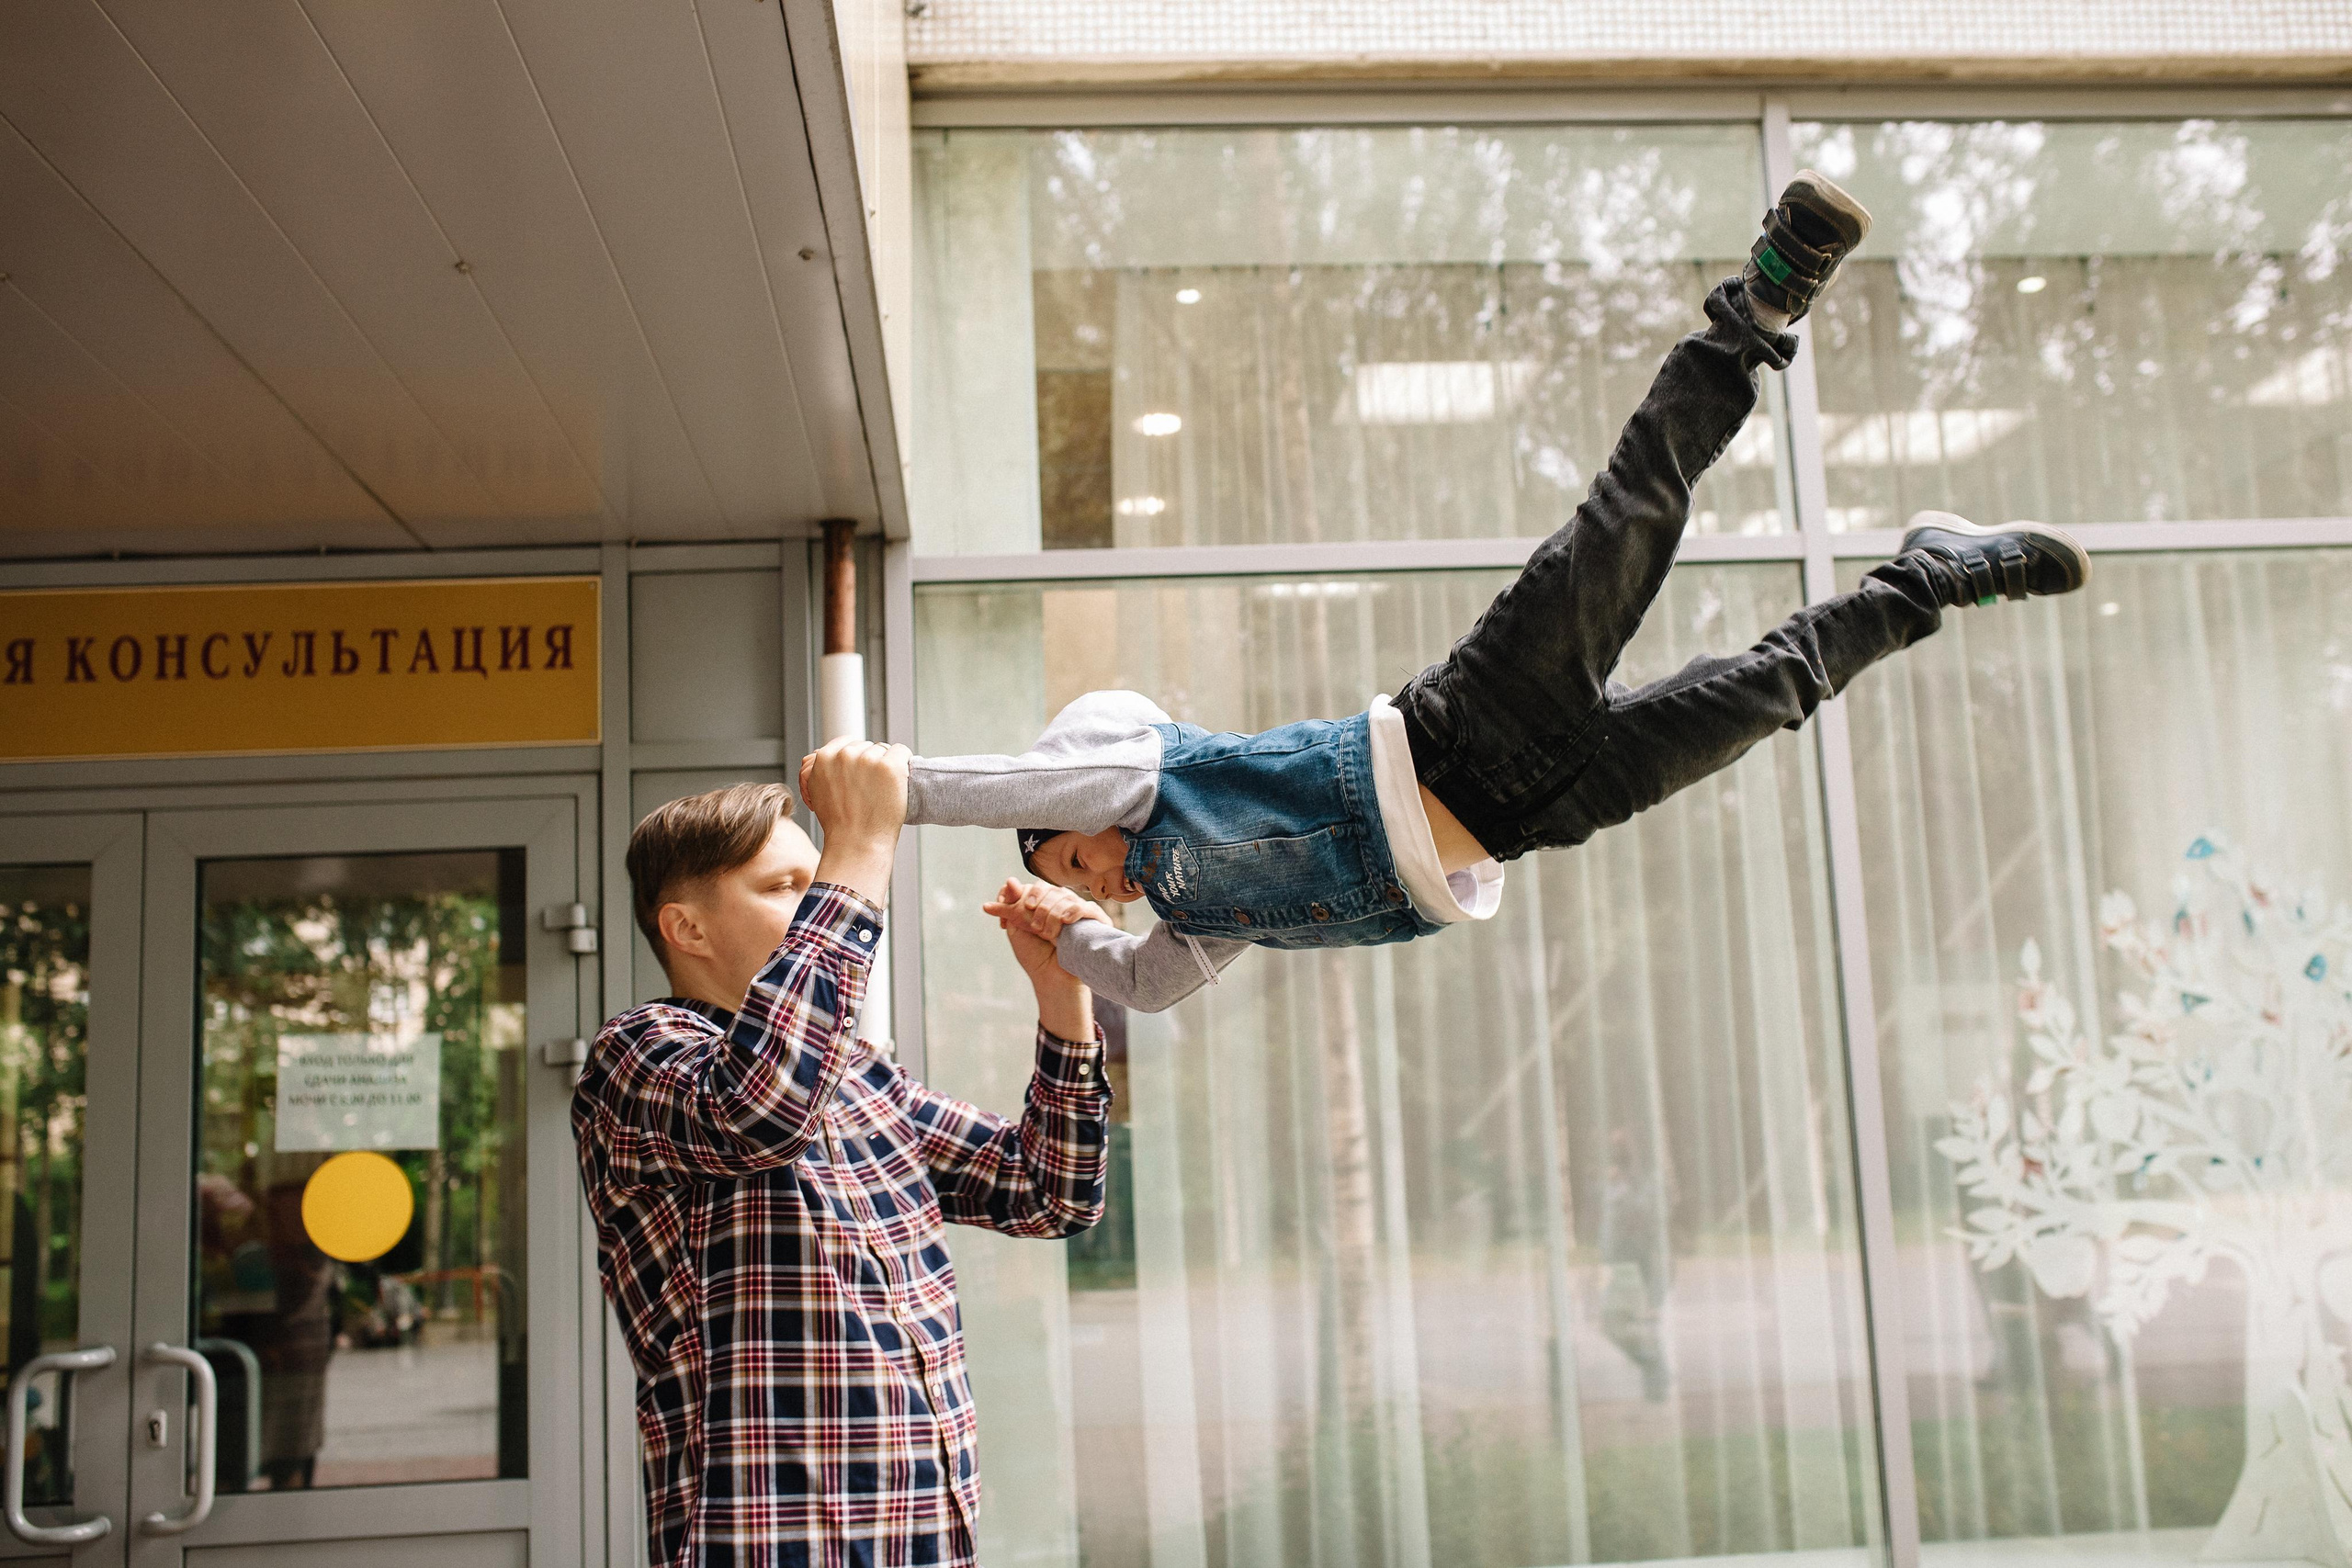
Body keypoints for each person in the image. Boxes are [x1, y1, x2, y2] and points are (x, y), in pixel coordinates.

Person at [917, 172, 2092, 1011]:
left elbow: (1009, 787)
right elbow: (1143, 987)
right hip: (1533, 814)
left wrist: (887, 794)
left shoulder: (1151, 779)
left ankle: (1762, 304)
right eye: (1086, 886)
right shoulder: (1200, 913)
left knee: (1635, 512)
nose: (1104, 884)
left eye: (1077, 860)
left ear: (1091, 804)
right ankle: (1932, 574)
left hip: (1462, 732)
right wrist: (1065, 929)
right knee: (1773, 692)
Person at [574, 761, 1110, 1568]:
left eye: (816, 878)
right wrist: (857, 846)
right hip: (768, 1543)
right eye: (785, 885)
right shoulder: (640, 1054)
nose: (820, 899)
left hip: (925, 1540)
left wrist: (1062, 997)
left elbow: (1051, 1192)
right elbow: (763, 1108)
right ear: (687, 929)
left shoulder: (863, 1077)